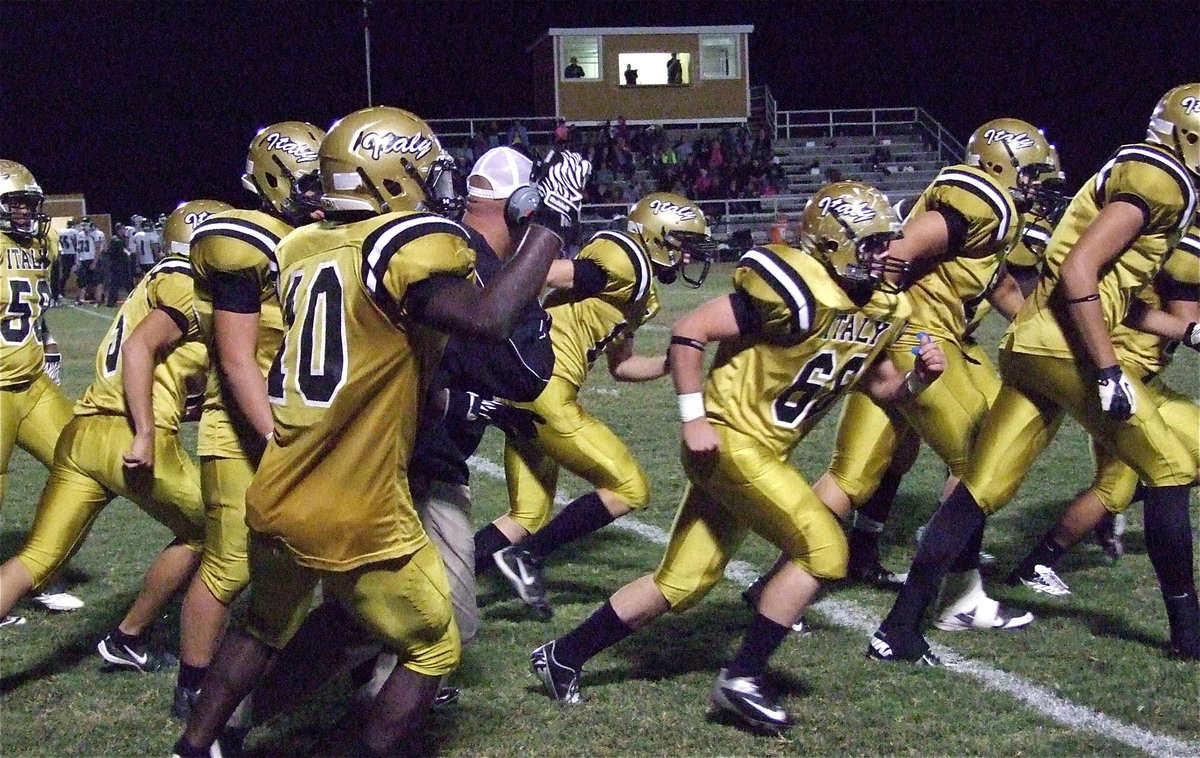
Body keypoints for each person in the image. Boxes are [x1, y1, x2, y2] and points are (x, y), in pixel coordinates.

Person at [172, 106, 590, 758]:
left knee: (262, 622)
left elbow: (380, 355)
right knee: (435, 642)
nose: (435, 183)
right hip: (355, 503)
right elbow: (489, 317)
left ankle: (198, 746)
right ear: (391, 177)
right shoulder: (400, 246)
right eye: (422, 170)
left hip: (281, 481)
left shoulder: (302, 249)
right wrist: (551, 222)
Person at [528, 181, 944, 733]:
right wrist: (694, 416)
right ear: (833, 242)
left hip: (763, 449)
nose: (886, 255)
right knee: (825, 548)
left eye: (886, 243)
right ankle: (742, 678)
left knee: (683, 582)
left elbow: (884, 389)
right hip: (728, 439)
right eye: (871, 244)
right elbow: (689, 331)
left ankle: (563, 656)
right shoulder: (798, 286)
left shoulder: (885, 306)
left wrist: (918, 378)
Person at [869, 83, 1200, 665]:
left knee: (980, 487)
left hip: (1029, 344)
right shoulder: (1162, 180)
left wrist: (1181, 331)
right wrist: (1107, 369)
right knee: (1169, 467)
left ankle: (899, 627)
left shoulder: (1140, 171)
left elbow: (1108, 286)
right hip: (1066, 348)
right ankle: (1189, 636)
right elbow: (1079, 270)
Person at [807, 120, 1058, 634]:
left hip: (933, 340)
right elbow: (896, 250)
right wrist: (889, 319)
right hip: (921, 343)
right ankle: (959, 597)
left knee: (854, 476)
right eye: (1030, 172)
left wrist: (1047, 331)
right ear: (996, 165)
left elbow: (1001, 284)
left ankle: (771, 586)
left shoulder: (996, 213)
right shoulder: (979, 198)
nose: (1037, 184)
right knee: (980, 461)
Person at [0, 200, 220, 658]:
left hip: (83, 432)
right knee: (212, 530)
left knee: (34, 561)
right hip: (131, 437)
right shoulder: (188, 287)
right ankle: (130, 636)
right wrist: (145, 431)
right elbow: (140, 350)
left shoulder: (154, 280)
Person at [483, 193, 718, 620]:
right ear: (656, 235)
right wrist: (514, 324)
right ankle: (526, 558)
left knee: (528, 514)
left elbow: (623, 366)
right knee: (630, 488)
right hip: (545, 389)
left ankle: (446, 579)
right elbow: (544, 272)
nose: (687, 258)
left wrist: (676, 360)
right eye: (683, 244)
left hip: (528, 390)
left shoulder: (638, 286)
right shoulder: (625, 259)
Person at [173, 120, 327, 720]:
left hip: (297, 423)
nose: (321, 194)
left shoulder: (316, 239)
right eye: (310, 182)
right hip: (242, 426)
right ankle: (194, 681)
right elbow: (237, 361)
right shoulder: (244, 240)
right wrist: (274, 436)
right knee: (231, 561)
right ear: (272, 179)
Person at [1005, 220, 1200, 595]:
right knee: (1113, 488)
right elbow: (1189, 322)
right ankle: (1034, 566)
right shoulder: (1185, 249)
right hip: (1124, 380)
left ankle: (1116, 508)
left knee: (1148, 477)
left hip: (1144, 378)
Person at [0, 160, 84, 625]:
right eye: (14, 204)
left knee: (81, 464)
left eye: (28, 205)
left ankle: (36, 571)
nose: (24, 213)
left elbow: (35, 305)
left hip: (31, 382)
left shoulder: (40, 242)